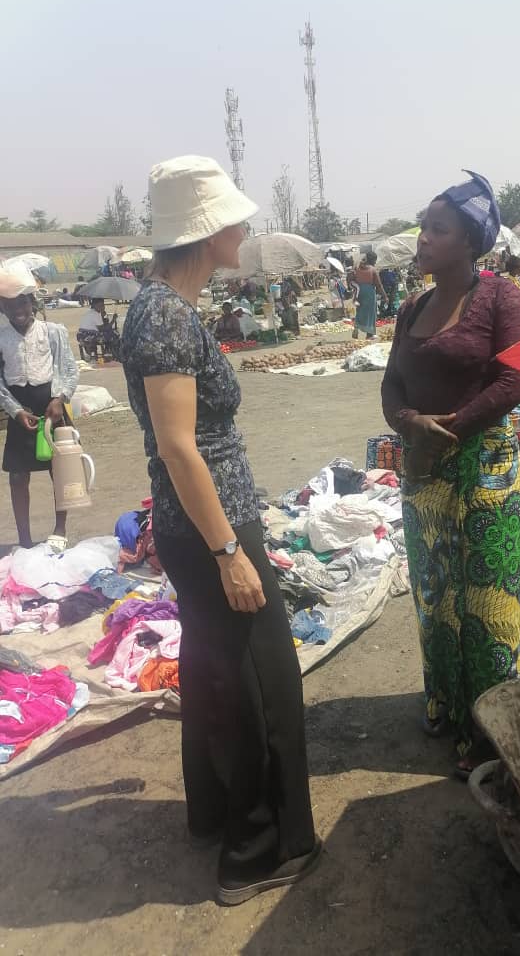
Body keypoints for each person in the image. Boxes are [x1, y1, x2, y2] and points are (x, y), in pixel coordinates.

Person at [120, 155, 319, 905]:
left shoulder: (163, 306)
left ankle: (213, 815)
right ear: (207, 233)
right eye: (235, 219)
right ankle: (260, 852)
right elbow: (179, 447)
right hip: (211, 529)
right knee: (261, 685)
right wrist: (230, 551)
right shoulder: (166, 315)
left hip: (200, 524)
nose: (245, 229)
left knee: (213, 671)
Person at [381, 170, 520, 778]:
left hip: (484, 468)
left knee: (487, 600)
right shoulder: (412, 307)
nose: (423, 238)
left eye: (438, 229)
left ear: (470, 241)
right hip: (423, 472)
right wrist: (410, 423)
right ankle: (444, 701)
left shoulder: (500, 298)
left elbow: (514, 381)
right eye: (424, 227)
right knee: (436, 593)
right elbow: (391, 386)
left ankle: (491, 729)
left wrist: (448, 430)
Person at [0, 271, 79, 551]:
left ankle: (60, 530)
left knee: (60, 471)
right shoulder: (1, 338)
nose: (17, 310)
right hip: (20, 411)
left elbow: (69, 369)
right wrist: (15, 410)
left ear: (32, 303)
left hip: (51, 408)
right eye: (9, 305)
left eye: (22, 303)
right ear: (2, 308)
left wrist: (60, 398)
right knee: (18, 476)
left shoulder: (53, 332)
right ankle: (24, 539)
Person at [352, 251, 386, 339]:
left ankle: (356, 326)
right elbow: (379, 285)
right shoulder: (372, 270)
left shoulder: (358, 267)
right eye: (375, 260)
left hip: (359, 291)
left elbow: (353, 279)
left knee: (360, 310)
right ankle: (369, 334)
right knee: (371, 312)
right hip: (369, 292)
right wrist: (385, 296)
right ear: (373, 260)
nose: (375, 262)